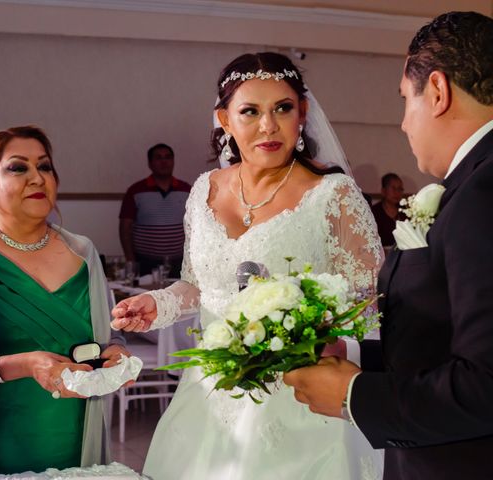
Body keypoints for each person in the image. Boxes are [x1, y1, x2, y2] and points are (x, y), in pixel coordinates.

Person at [112, 52, 384, 479]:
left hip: (301, 396)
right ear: (224, 119)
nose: (268, 126)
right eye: (250, 111)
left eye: (282, 108)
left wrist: (312, 336)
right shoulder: (204, 190)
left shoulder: (335, 195)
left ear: (303, 113)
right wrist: (158, 304)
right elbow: (198, 285)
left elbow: (369, 300)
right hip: (209, 393)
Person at [284, 11, 493, 480]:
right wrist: (355, 360)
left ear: (437, 91)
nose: (402, 123)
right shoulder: (472, 183)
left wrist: (354, 396)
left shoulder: (484, 192)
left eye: (405, 100)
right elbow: (448, 339)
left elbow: (487, 382)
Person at [0, 126, 130, 479]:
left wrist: (117, 354)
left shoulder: (84, 253)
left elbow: (107, 339)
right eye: (18, 168)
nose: (37, 177)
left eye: (45, 166)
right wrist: (24, 365)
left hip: (77, 432)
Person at [119, 143, 191, 277]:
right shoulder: (135, 191)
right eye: (158, 158)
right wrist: (130, 260)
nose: (164, 162)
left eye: (168, 157)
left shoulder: (187, 189)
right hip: (146, 263)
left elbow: (195, 226)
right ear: (150, 163)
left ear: (173, 161)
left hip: (180, 262)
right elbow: (125, 228)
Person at [370, 172, 405, 248]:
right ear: (383, 191)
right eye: (393, 188)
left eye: (400, 189)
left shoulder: (405, 211)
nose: (397, 192)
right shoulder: (374, 212)